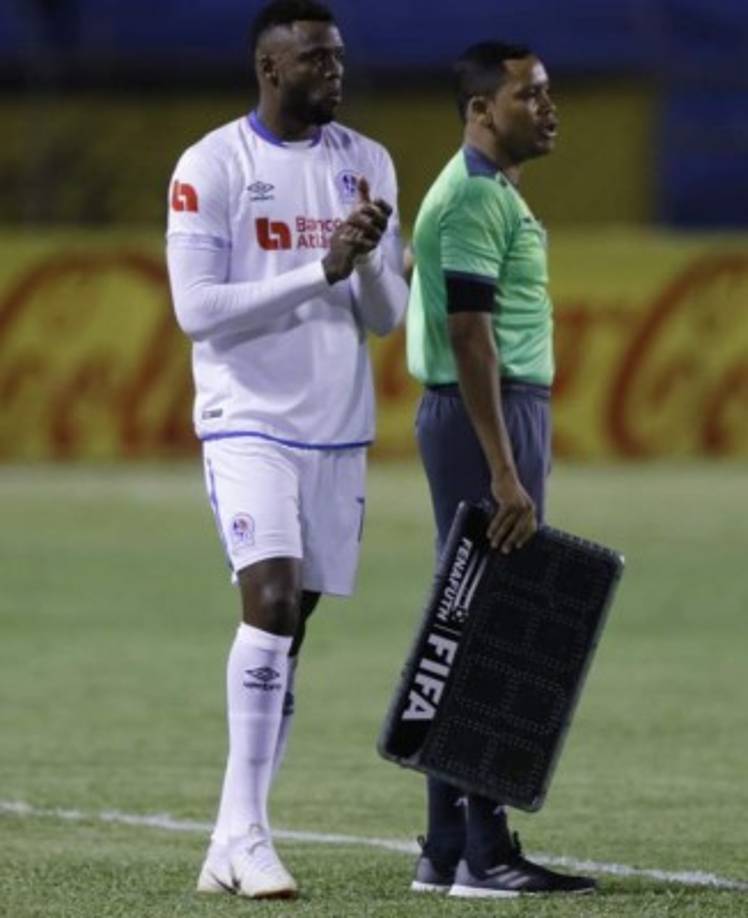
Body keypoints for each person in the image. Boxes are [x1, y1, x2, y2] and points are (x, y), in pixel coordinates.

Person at [166, 0, 408, 900]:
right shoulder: (212, 165)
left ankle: (232, 835)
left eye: (339, 57)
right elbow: (198, 310)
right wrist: (320, 268)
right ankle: (251, 835)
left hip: (337, 426)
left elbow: (385, 317)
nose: (335, 72)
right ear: (271, 69)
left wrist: (373, 258)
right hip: (248, 419)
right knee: (268, 602)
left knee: (291, 629)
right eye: (316, 60)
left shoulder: (368, 162)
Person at [405, 42, 597, 898]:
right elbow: (471, 338)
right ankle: (487, 853)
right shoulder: (473, 198)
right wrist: (504, 470)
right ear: (483, 108)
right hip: (490, 411)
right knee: (491, 621)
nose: (548, 109)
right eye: (531, 95)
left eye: (549, 93)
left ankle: (447, 845)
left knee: (467, 610)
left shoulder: (480, 193)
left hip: (486, 411)